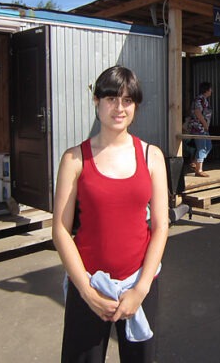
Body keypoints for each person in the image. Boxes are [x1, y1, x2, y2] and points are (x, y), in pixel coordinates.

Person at [52, 66, 168, 363]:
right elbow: (61, 231)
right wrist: (87, 291)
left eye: (128, 100)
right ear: (96, 101)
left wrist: (140, 290)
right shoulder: (74, 158)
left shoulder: (151, 156)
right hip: (88, 284)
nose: (119, 108)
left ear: (136, 106)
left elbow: (160, 226)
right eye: (111, 98)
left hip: (139, 282)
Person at [187, 82, 212, 177]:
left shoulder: (204, 100)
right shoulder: (199, 99)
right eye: (210, 89)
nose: (211, 91)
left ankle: (195, 162)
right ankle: (199, 170)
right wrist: (205, 124)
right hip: (199, 127)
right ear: (207, 90)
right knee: (202, 147)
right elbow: (197, 112)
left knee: (208, 146)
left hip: (204, 128)